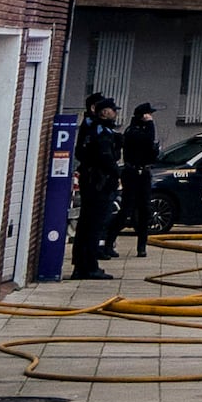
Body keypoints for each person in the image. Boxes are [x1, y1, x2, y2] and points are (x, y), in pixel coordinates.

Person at [69, 95, 119, 280]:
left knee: (85, 224)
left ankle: (82, 265)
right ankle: (89, 266)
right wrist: (116, 172)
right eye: (113, 110)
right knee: (93, 225)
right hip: (99, 183)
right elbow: (105, 158)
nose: (115, 114)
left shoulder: (90, 128)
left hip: (91, 181)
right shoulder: (100, 131)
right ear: (105, 112)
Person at [118, 102, 162, 257]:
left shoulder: (142, 130)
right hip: (132, 173)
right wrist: (150, 124)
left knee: (145, 210)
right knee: (126, 210)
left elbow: (150, 148)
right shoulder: (133, 131)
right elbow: (147, 140)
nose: (151, 117)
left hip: (144, 173)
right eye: (149, 115)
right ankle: (108, 240)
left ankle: (141, 246)